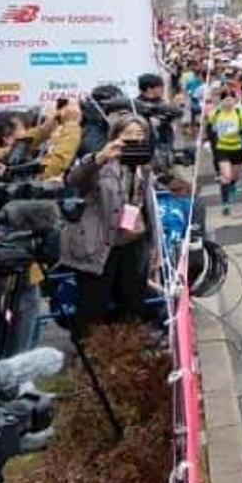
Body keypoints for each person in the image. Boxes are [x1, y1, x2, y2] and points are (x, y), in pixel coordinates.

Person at [64, 112, 155, 338]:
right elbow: (75, 180)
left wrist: (154, 247)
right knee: (93, 307)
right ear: (115, 136)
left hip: (133, 243)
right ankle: (91, 356)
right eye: (128, 134)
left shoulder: (143, 165)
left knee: (133, 301)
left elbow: (146, 205)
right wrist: (101, 157)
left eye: (140, 134)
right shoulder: (101, 163)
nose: (135, 139)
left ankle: (127, 349)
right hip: (99, 246)